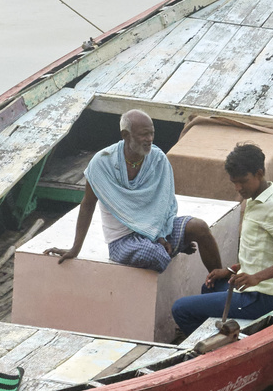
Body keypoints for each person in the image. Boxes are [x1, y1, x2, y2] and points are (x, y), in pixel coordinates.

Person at [44, 109, 221, 273]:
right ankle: (173, 247)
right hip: (123, 240)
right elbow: (87, 204)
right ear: (125, 135)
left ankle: (220, 286)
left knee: (199, 228)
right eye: (144, 134)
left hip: (159, 230)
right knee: (155, 255)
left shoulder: (158, 159)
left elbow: (165, 203)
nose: (150, 139)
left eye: (152, 133)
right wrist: (75, 248)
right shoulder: (102, 163)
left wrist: (160, 236)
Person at [169, 142, 273, 340]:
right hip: (253, 289)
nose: (238, 188)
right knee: (210, 286)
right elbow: (260, 251)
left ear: (259, 173)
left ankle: (209, 349)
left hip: (263, 297)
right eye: (234, 182)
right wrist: (231, 271)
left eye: (242, 181)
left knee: (180, 309)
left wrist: (256, 277)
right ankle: (215, 336)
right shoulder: (253, 198)